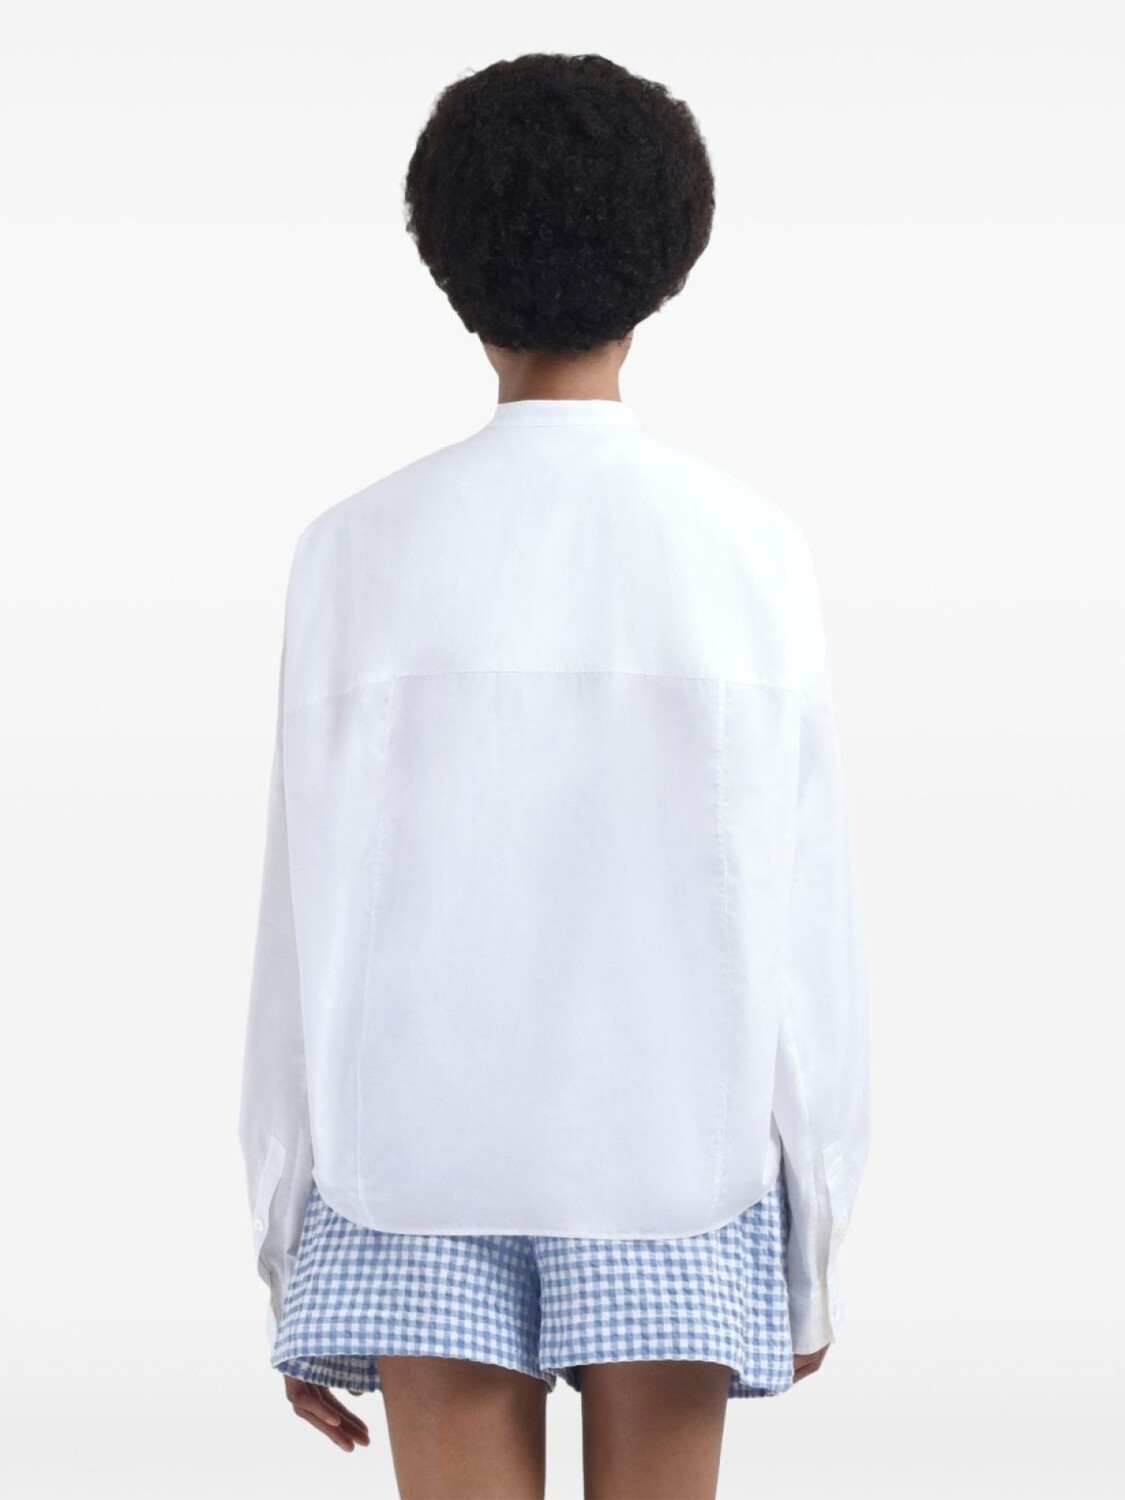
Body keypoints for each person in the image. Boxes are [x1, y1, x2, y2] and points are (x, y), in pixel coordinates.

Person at [238, 51, 871, 1500]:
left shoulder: (352, 550)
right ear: (669, 261)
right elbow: (804, 934)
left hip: (410, 1165)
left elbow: (301, 921)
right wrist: (813, 1245)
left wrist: (287, 1239)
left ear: (450, 268)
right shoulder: (747, 549)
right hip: (677, 1158)